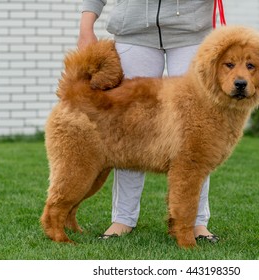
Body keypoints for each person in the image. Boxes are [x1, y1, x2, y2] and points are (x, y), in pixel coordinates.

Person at [78, 0, 219, 242]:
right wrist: (86, 28)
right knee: (130, 131)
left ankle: (196, 222)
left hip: (191, 34)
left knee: (194, 137)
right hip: (133, 33)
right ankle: (123, 218)